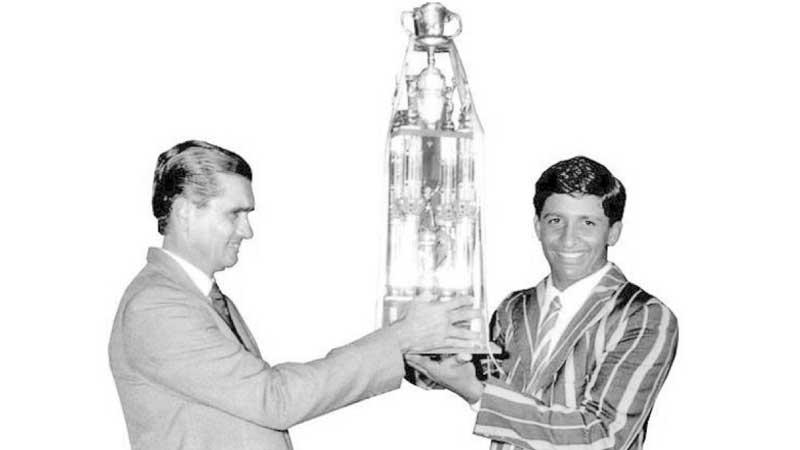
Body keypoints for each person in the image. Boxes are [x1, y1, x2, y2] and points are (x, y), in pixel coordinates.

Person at [108, 140, 481, 450]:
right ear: (186, 211)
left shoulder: (195, 297)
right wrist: (400, 337)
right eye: (235, 214)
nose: (247, 230)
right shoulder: (157, 307)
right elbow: (275, 399)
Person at [407, 156, 679, 450]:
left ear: (613, 232)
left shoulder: (644, 316)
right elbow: (445, 373)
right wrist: (424, 294)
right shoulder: (513, 309)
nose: (568, 238)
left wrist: (477, 394)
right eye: (555, 220)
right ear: (537, 226)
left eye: (587, 223)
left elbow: (603, 439)